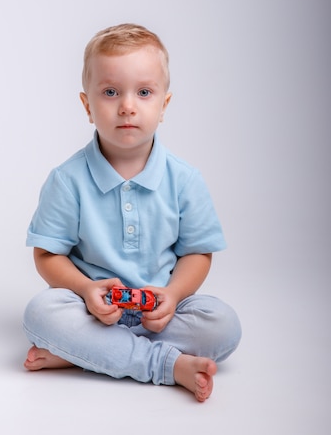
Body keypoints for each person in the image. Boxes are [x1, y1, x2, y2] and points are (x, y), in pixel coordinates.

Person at [23, 23, 241, 403]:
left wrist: (173, 294)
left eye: (143, 92)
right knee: (41, 313)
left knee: (223, 325)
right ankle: (164, 365)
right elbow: (47, 255)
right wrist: (87, 289)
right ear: (87, 105)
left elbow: (197, 254)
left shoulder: (185, 180)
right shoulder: (67, 179)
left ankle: (87, 354)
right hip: (91, 310)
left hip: (160, 312)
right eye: (110, 92)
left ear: (164, 105)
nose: (127, 105)